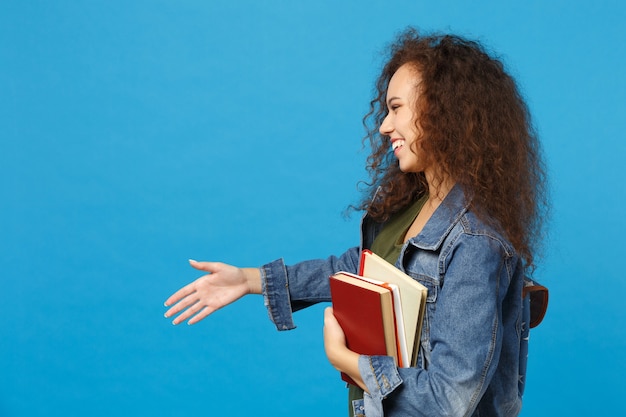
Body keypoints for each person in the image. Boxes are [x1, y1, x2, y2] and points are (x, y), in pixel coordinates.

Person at [164, 27, 547, 417]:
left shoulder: (476, 241)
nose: (384, 126)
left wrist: (348, 360)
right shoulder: (410, 209)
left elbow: (450, 399)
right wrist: (248, 280)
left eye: (396, 108)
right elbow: (356, 269)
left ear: (443, 111)